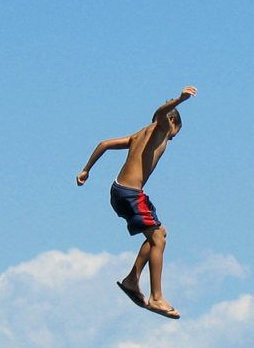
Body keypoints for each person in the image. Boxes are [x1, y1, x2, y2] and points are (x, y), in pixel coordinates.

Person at [76, 86, 196, 319]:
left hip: (120, 191)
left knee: (159, 233)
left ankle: (132, 280)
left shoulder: (138, 135)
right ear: (172, 121)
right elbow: (161, 114)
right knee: (158, 239)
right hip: (130, 194)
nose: (172, 137)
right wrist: (180, 100)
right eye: (175, 133)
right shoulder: (161, 127)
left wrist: (86, 170)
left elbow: (104, 144)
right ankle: (156, 298)